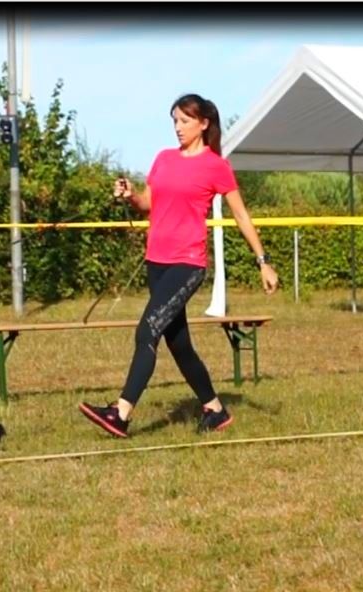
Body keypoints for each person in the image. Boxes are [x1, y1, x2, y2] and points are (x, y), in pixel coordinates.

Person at [79, 93, 279, 438]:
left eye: (184, 121)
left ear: (203, 123)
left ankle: (120, 413)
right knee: (179, 344)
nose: (178, 127)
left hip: (187, 265)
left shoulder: (217, 166)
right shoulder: (163, 159)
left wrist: (263, 261)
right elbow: (149, 203)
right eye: (174, 120)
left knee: (147, 331)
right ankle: (215, 410)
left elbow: (241, 215)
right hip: (156, 263)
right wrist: (130, 196)